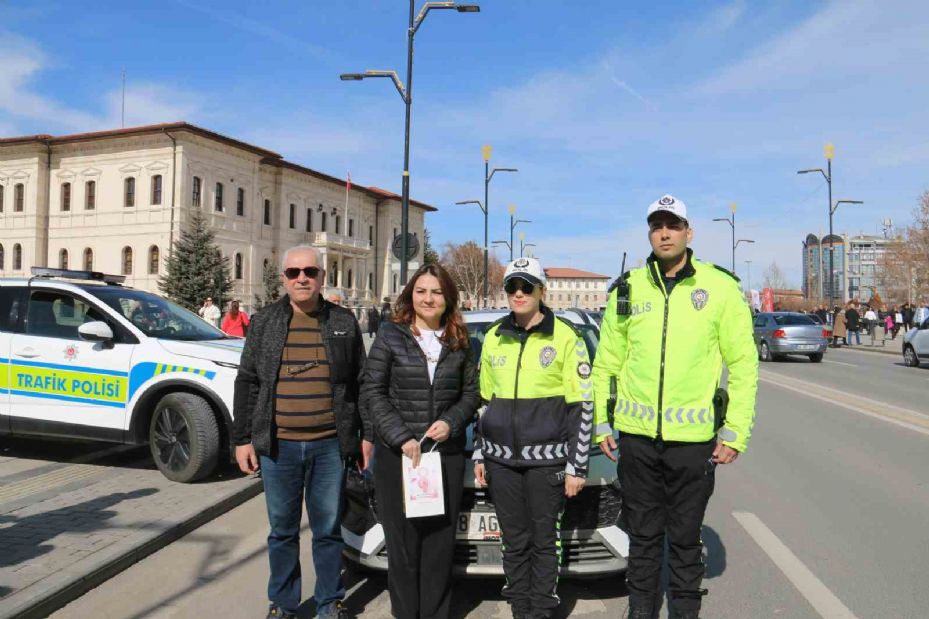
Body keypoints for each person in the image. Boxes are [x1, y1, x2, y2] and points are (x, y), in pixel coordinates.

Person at [593, 195, 759, 619]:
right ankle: (641, 611)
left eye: (673, 224)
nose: (664, 233)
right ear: (650, 233)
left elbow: (742, 362)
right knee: (644, 539)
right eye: (656, 225)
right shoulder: (628, 287)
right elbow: (606, 362)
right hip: (636, 441)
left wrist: (736, 430)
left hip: (693, 444)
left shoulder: (719, 286)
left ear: (689, 232)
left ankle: (684, 613)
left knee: (684, 541)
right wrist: (601, 424)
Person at [233, 245, 371, 619]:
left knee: (327, 530)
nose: (302, 278)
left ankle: (330, 601)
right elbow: (247, 382)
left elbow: (361, 382)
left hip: (330, 446)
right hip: (279, 448)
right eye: (293, 273)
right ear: (284, 279)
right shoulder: (264, 322)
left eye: (310, 271)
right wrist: (242, 439)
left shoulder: (342, 322)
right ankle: (284, 603)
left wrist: (366, 435)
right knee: (282, 532)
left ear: (322, 277)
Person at [473, 257, 593, 619]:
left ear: (542, 290)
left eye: (527, 286)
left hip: (549, 463)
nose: (519, 293)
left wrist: (577, 464)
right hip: (501, 462)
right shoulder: (494, 337)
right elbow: (483, 404)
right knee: (514, 543)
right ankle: (520, 610)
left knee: (544, 542)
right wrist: (479, 453)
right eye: (512, 287)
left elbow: (583, 405)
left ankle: (540, 611)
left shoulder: (566, 336)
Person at [362, 263, 479, 619]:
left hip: (444, 456)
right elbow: (373, 390)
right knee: (404, 547)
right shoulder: (390, 335)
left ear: (448, 298)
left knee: (438, 549)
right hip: (399, 459)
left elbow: (472, 395)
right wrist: (400, 437)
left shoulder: (462, 341)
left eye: (437, 292)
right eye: (422, 291)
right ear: (411, 295)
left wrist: (451, 421)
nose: (429, 298)